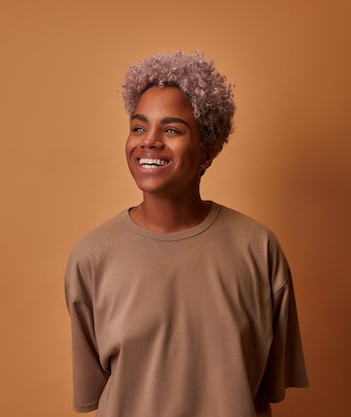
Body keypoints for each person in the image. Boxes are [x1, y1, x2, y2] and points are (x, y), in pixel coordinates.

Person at [65, 51, 308, 417]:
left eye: (172, 129)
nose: (149, 141)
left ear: (207, 151)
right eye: (138, 126)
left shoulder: (258, 249)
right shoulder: (91, 257)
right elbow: (97, 396)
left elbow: (260, 394)